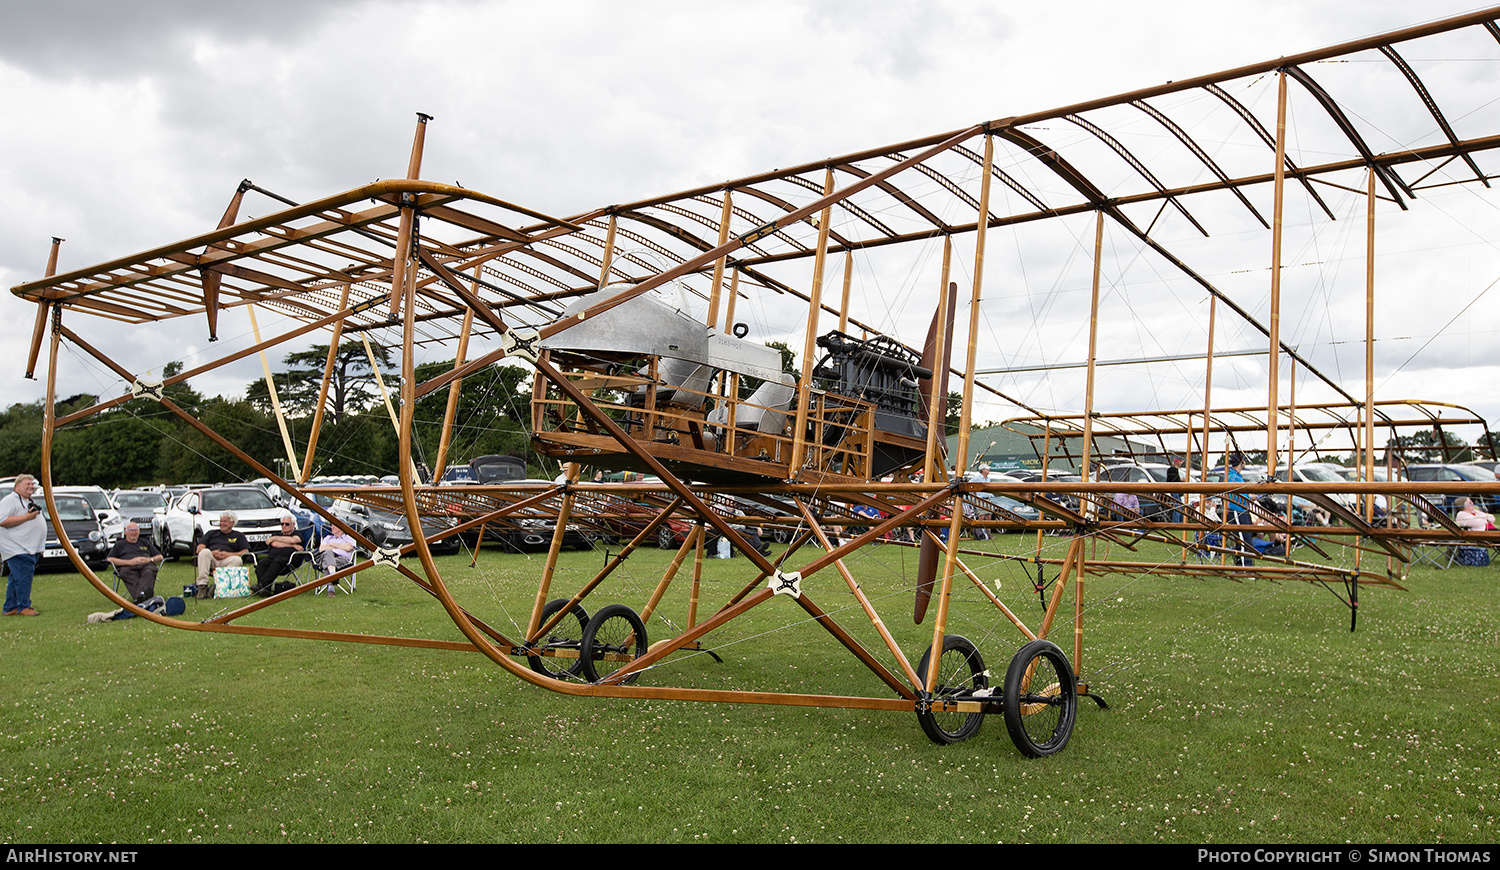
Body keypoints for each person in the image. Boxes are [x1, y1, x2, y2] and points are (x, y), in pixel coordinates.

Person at [0, 474, 46, 616]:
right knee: (23, 578)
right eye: (27, 484)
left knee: (16, 578)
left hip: (28, 547)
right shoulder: (9, 501)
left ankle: (10, 607)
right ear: (17, 486)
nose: (31, 487)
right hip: (18, 547)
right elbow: (2, 520)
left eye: (32, 484)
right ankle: (24, 607)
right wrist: (28, 517)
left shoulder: (26, 500)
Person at [195, 511, 251, 599]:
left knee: (237, 560)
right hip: (212, 560)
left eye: (225, 521)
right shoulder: (211, 533)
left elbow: (245, 552)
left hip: (227, 561)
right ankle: (202, 586)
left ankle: (219, 586)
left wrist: (227, 555)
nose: (222, 523)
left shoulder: (239, 536)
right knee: (204, 552)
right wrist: (212, 552)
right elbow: (199, 548)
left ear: (232, 523)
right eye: (221, 521)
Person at [253, 512, 309, 596]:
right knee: (262, 563)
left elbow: (294, 540)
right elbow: (274, 544)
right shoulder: (276, 534)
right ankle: (265, 590)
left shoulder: (298, 534)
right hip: (272, 557)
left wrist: (288, 542)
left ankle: (261, 586)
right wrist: (293, 546)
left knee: (277, 561)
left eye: (287, 524)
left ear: (293, 525)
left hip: (288, 561)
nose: (284, 526)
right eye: (282, 524)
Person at [107, 522, 163, 603]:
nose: (134, 533)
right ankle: (144, 597)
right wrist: (130, 562)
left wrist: (149, 560)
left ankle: (140, 598)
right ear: (125, 532)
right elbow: (110, 559)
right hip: (128, 567)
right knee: (127, 573)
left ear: (139, 532)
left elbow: (160, 557)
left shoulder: (145, 542)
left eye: (136, 530)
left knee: (149, 572)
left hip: (146, 565)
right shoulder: (119, 545)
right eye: (131, 530)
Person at [1224, 452, 1253, 565]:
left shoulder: (1237, 476)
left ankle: (1244, 565)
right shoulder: (1232, 476)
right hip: (1237, 510)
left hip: (1242, 510)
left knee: (1246, 539)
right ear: (1241, 462)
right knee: (1243, 540)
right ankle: (1244, 566)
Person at [315, 525, 357, 592]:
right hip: (327, 557)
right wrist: (341, 546)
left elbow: (348, 548)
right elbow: (322, 549)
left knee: (327, 562)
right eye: (331, 526)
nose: (331, 528)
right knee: (328, 553)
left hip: (342, 559)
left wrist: (333, 545)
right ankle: (333, 575)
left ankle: (330, 586)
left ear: (341, 528)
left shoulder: (349, 538)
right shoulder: (328, 538)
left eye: (334, 526)